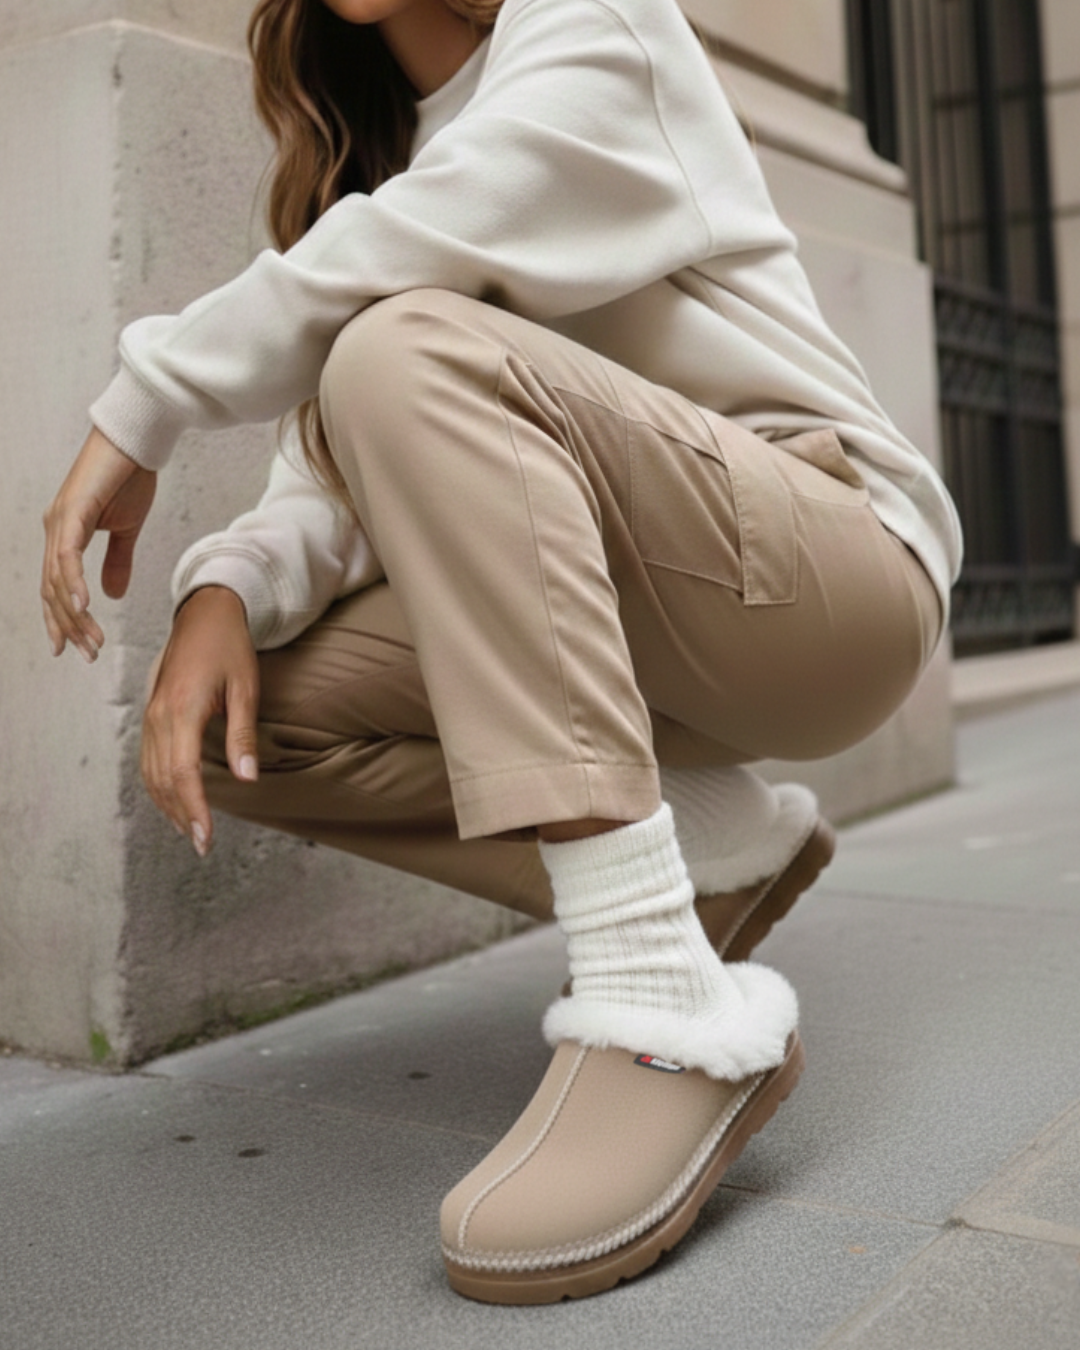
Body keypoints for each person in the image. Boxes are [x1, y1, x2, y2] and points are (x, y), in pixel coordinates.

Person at [40, 0, 961, 1305]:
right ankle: (708, 848)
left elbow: (422, 260)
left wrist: (147, 401)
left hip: (832, 575)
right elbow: (327, 488)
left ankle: (661, 1002)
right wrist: (223, 593)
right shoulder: (371, 178)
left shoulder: (595, 24)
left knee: (396, 343)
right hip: (639, 627)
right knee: (244, 720)